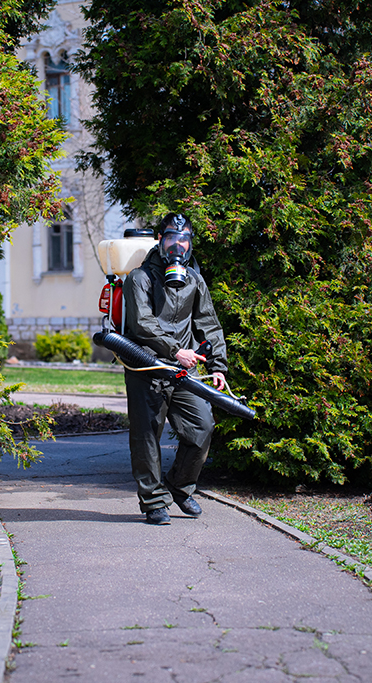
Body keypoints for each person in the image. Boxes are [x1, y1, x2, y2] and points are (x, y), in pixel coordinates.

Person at [122, 213, 228, 525]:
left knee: (202, 426)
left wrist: (218, 366)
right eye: (171, 238)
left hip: (183, 371)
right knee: (147, 436)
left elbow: (209, 324)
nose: (177, 245)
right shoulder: (139, 279)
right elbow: (142, 324)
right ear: (160, 240)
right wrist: (174, 350)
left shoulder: (194, 280)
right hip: (146, 366)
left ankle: (179, 486)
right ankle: (154, 501)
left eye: (184, 239)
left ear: (190, 243)